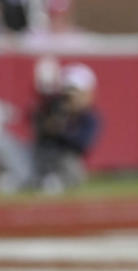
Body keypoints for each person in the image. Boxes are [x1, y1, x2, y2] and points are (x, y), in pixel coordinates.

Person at [31, 61, 101, 193]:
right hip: (42, 156)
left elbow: (82, 144)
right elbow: (37, 131)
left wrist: (60, 130)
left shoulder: (89, 117)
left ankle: (55, 182)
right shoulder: (52, 109)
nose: (70, 98)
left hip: (65, 161)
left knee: (71, 166)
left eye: (74, 92)